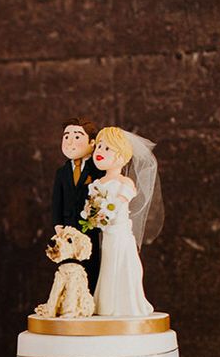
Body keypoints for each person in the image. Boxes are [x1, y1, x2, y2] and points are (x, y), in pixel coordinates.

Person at [89, 127, 161, 316]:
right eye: (99, 146)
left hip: (120, 233)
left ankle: (126, 304)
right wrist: (94, 216)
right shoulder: (97, 184)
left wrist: (104, 214)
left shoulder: (125, 183)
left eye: (107, 148)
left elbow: (118, 205)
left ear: (122, 155)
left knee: (126, 265)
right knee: (108, 266)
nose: (100, 152)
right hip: (107, 234)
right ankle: (106, 305)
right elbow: (92, 209)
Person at [51, 118, 104, 292]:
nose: (70, 142)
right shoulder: (62, 172)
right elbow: (57, 200)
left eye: (77, 137)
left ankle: (90, 296)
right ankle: (70, 296)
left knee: (91, 261)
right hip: (67, 227)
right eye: (66, 137)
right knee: (68, 263)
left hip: (90, 228)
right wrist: (58, 224)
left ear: (92, 142)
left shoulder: (97, 169)